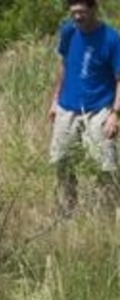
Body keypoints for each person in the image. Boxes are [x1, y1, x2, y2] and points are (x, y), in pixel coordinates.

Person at [48, 0, 120, 217]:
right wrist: (54, 101)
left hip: (99, 109)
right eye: (74, 13)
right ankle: (67, 211)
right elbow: (64, 66)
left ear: (94, 9)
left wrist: (114, 115)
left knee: (104, 165)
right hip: (67, 108)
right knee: (60, 160)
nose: (77, 17)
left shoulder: (111, 39)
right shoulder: (68, 32)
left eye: (82, 12)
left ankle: (107, 212)